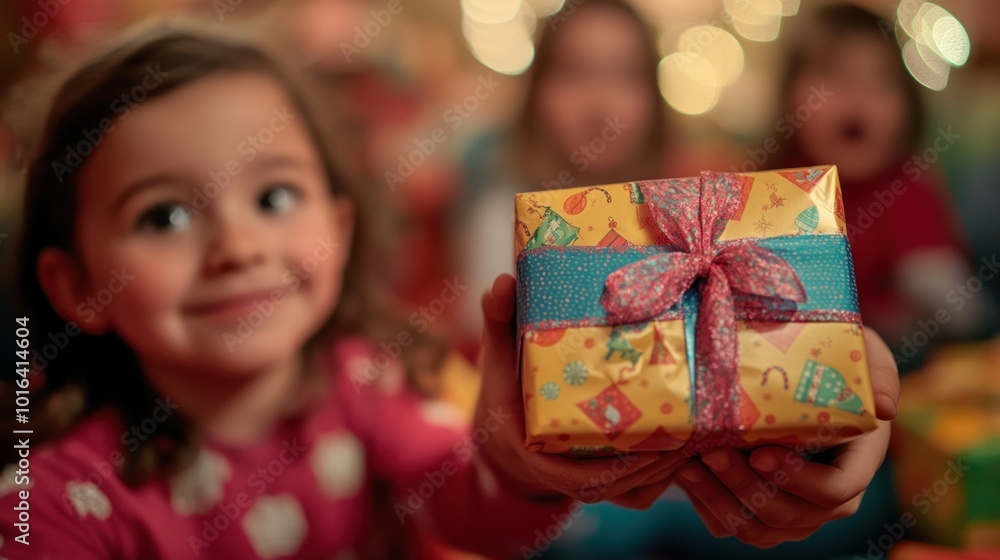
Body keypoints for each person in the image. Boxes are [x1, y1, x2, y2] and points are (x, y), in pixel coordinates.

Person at [0, 17, 898, 560]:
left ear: (341, 228)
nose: (238, 244)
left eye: (273, 195)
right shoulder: (55, 497)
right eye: (163, 217)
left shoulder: (367, 386)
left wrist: (515, 462)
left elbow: (472, 503)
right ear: (75, 284)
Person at [775, 4, 982, 360]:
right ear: (789, 96)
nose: (858, 96)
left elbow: (961, 315)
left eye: (881, 82)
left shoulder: (910, 189)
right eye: (832, 78)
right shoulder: (772, 192)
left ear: (909, 108)